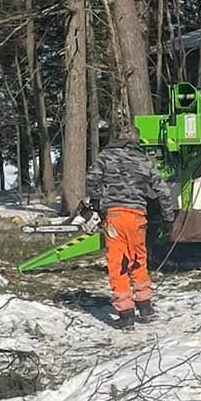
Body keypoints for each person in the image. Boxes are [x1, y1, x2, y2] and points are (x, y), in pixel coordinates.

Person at [82, 128, 177, 328]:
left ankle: (126, 314)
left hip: (115, 216)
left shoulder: (106, 156)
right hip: (137, 217)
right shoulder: (145, 160)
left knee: (118, 264)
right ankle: (145, 306)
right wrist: (168, 218)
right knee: (138, 260)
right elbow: (163, 191)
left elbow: (92, 178)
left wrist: (97, 201)